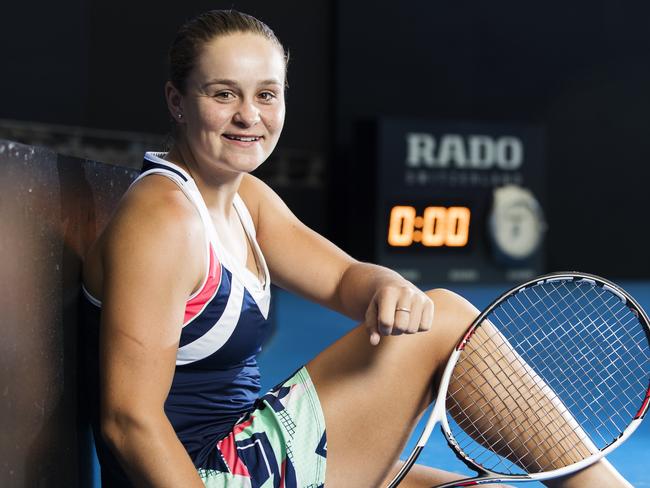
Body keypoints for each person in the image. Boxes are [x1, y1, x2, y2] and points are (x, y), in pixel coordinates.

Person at [81, 9, 632, 488]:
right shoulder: (164, 217)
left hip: (250, 449)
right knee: (445, 319)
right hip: (206, 473)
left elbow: (345, 280)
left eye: (266, 95)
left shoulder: (244, 196)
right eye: (223, 93)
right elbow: (128, 420)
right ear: (178, 102)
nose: (249, 115)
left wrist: (386, 287)